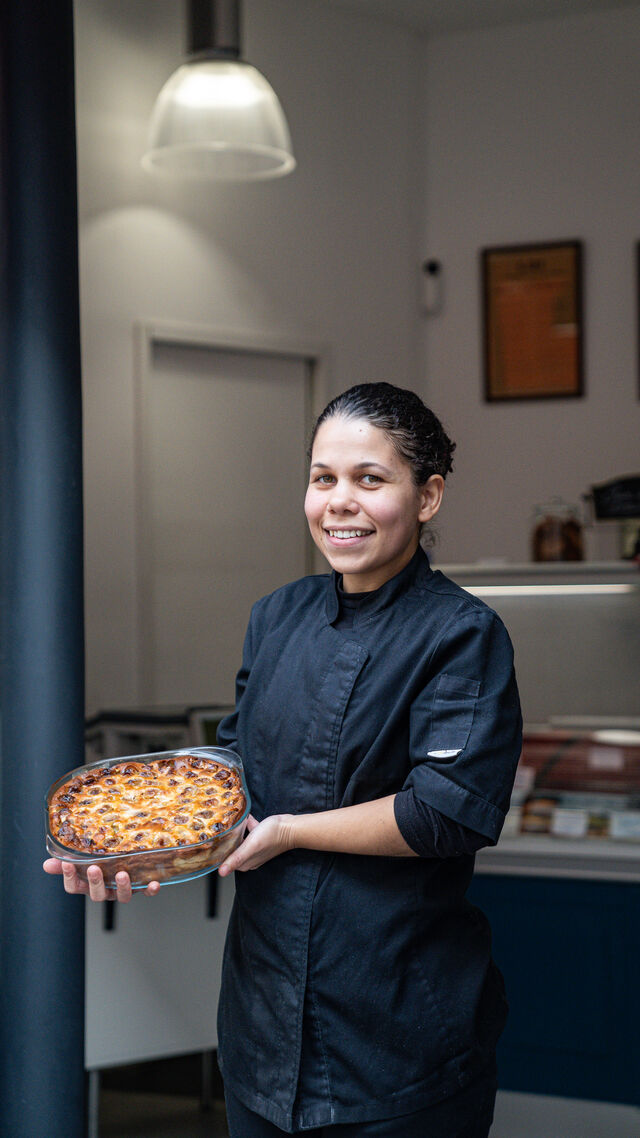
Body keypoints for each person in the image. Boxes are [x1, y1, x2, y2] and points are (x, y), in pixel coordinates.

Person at [45, 382, 522, 1138]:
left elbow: (444, 811)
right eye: (322, 478)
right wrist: (144, 855)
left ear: (427, 497)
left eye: (370, 480)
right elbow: (230, 784)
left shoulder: (460, 634)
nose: (339, 501)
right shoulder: (276, 616)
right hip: (262, 1027)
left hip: (396, 1030)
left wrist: (293, 831)